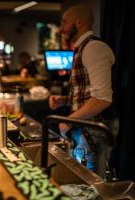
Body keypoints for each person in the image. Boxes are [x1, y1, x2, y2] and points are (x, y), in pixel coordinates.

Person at [48, 5, 118, 177]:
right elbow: (87, 92)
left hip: (93, 130)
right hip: (85, 128)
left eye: (64, 22)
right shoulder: (83, 48)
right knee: (82, 184)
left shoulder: (94, 48)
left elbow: (102, 99)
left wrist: (68, 121)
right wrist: (65, 100)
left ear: (78, 22)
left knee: (91, 187)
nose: (61, 28)